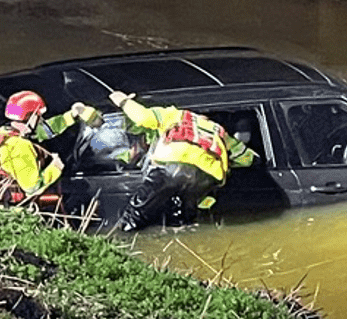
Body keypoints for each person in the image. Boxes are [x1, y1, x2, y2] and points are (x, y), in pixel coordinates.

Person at [109, 90, 257, 231]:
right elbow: (246, 159)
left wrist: (124, 102)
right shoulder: (217, 130)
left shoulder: (173, 114)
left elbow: (143, 118)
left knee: (136, 213)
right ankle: (183, 225)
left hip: (173, 166)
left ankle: (122, 238)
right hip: (207, 177)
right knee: (183, 217)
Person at [0, 90, 99, 206]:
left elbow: (46, 130)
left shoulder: (3, 133)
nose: (41, 120)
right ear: (31, 116)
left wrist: (71, 116)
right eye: (39, 116)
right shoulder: (21, 147)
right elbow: (32, 188)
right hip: (13, 207)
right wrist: (55, 167)